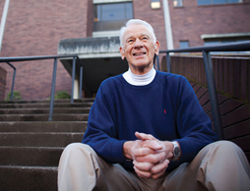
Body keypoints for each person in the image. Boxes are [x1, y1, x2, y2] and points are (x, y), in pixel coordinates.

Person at [58, 19, 250, 191]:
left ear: (156, 47)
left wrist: (171, 149)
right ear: (122, 52)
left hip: (176, 178)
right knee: (74, 151)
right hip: (125, 180)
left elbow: (204, 135)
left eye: (144, 38)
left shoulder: (177, 84)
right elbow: (93, 138)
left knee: (226, 149)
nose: (138, 44)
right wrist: (129, 149)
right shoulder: (109, 88)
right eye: (130, 41)